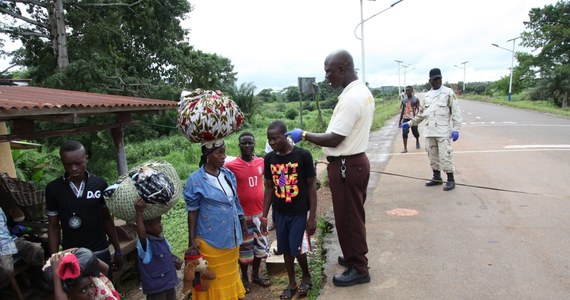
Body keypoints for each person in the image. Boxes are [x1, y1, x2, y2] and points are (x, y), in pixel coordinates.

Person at [286, 49, 373, 287]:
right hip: (355, 163)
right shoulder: (360, 91)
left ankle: (359, 268)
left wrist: (303, 134)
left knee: (348, 218)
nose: (326, 77)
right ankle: (354, 255)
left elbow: (334, 138)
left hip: (347, 165)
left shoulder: (351, 98)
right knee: (353, 215)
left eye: (329, 71)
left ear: (342, 69)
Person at [45, 141, 123, 278]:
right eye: (68, 164)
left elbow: (107, 219)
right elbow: (53, 226)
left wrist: (117, 250)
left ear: (86, 158)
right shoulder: (53, 189)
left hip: (100, 251)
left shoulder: (99, 184)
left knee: (105, 292)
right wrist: (54, 258)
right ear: (62, 162)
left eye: (78, 163)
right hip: (73, 255)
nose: (73, 168)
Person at [183, 139, 248, 300]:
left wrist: (242, 220)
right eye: (219, 153)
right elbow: (192, 212)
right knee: (213, 281)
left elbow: (235, 201)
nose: (223, 156)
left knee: (231, 275)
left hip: (232, 238)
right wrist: (191, 242)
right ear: (207, 155)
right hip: (210, 241)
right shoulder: (196, 180)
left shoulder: (228, 175)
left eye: (224, 152)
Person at [260, 120, 317, 299]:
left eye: (275, 138)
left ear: (285, 136)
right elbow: (269, 188)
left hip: (299, 212)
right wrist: (264, 215)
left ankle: (306, 276)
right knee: (285, 249)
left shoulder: (303, 156)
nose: (272, 143)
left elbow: (311, 187)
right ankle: (291, 282)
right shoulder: (269, 159)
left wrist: (312, 217)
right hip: (280, 213)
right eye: (269, 139)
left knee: (297, 248)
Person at [224, 132, 271, 293]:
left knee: (260, 247)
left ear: (254, 144)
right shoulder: (231, 166)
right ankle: (244, 277)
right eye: (243, 143)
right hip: (242, 216)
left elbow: (270, 182)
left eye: (249, 143)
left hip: (259, 214)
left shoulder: (261, 162)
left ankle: (256, 275)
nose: (247, 146)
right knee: (245, 249)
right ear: (239, 145)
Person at [402, 68, 463, 191]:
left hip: (443, 132)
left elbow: (456, 112)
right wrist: (409, 123)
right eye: (434, 79)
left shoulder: (448, 93)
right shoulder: (427, 96)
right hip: (430, 132)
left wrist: (456, 129)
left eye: (439, 78)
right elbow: (421, 114)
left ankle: (450, 179)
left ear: (441, 78)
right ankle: (437, 177)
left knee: (445, 155)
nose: (437, 81)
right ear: (430, 81)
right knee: (432, 156)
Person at [0, 207, 48, 292]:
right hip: (2, 249)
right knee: (6, 269)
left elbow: (9, 224)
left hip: (11, 240)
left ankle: (37, 278)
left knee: (36, 249)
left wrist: (20, 229)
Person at [47, 247, 120, 300]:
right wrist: (56, 271)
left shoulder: (98, 293)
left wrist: (81, 253)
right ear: (69, 295)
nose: (90, 292)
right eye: (83, 291)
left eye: (91, 285)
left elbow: (105, 268)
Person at [398, 85, 421, 153]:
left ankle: (417, 140)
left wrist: (417, 118)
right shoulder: (404, 100)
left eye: (409, 90)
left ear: (412, 91)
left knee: (415, 133)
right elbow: (402, 111)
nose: (407, 92)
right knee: (404, 133)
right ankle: (405, 148)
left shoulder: (416, 99)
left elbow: (418, 110)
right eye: (406, 90)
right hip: (405, 119)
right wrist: (400, 121)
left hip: (413, 119)